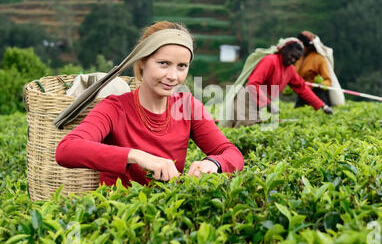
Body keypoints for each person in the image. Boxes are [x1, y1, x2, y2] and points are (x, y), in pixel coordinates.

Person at [55, 21, 244, 186]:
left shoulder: (187, 107)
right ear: (143, 62)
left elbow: (231, 153)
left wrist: (213, 163)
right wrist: (137, 156)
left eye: (182, 66)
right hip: (117, 216)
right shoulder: (114, 108)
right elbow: (66, 150)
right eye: (163, 63)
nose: (172, 76)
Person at [221, 38, 333, 128]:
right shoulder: (270, 61)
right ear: (284, 50)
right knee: (245, 131)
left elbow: (303, 89)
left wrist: (322, 106)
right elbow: (252, 85)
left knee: (256, 131)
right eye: (292, 56)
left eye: (296, 59)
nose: (293, 60)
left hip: (261, 102)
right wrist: (268, 104)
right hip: (247, 99)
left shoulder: (290, 69)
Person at [294, 31, 332, 107]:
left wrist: (320, 84)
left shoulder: (319, 58)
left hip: (317, 94)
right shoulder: (299, 57)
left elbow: (328, 80)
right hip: (302, 93)